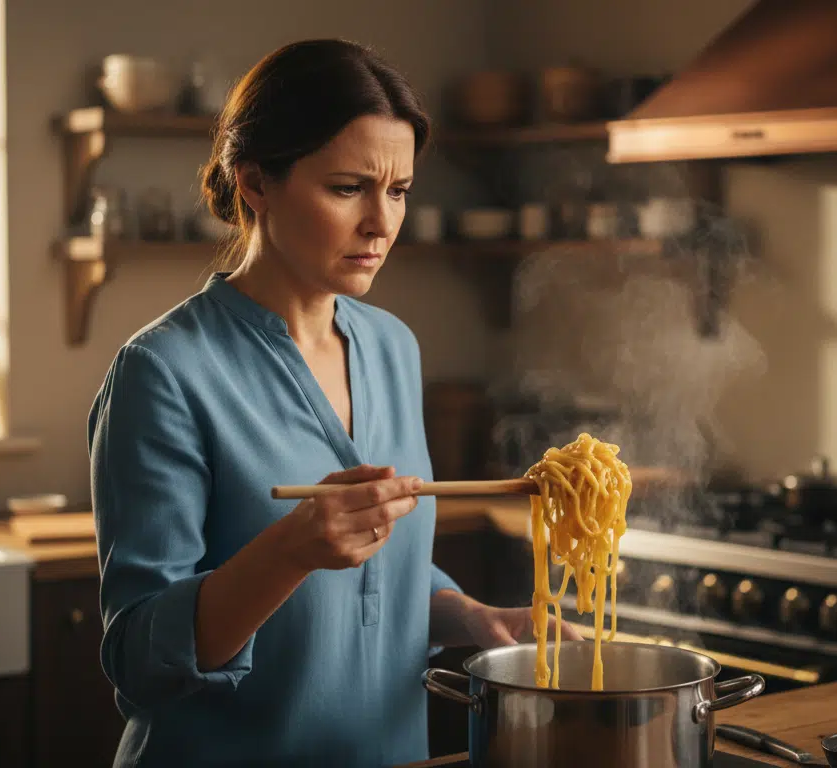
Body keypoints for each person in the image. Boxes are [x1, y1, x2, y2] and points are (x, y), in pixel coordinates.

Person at [88, 39, 578, 768]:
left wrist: (470, 616)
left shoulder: (392, 348)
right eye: (348, 188)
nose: (381, 223)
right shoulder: (162, 373)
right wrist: (290, 549)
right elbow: (138, 659)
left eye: (401, 191)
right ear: (255, 182)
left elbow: (385, 573)